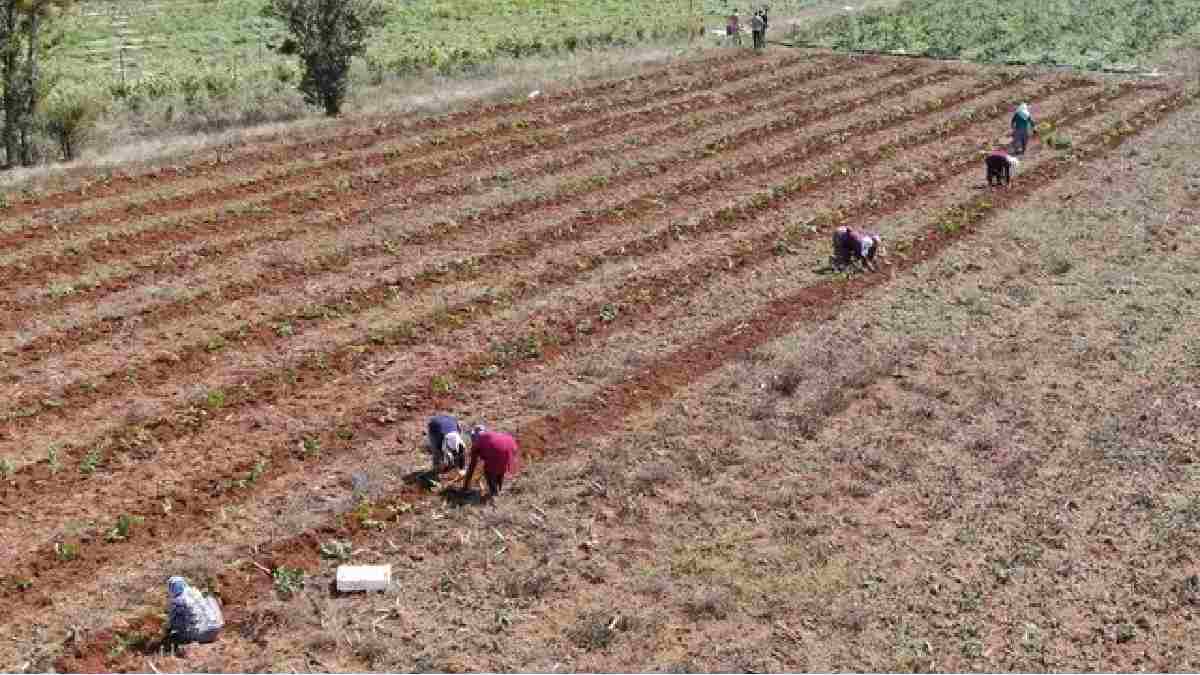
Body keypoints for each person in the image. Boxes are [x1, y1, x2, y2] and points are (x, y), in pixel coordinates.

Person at [461, 424, 519, 502]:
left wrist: (465, 486)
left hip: (500, 449)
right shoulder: (489, 435)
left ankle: (494, 494)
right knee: (500, 467)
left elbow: (472, 466)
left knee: (489, 471)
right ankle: (499, 489)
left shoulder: (478, 441)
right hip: (511, 444)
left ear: (474, 436)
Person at [165, 576, 223, 646]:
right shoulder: (198, 592)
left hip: (201, 635)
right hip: (216, 629)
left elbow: (172, 622)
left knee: (174, 631)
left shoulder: (178, 599)